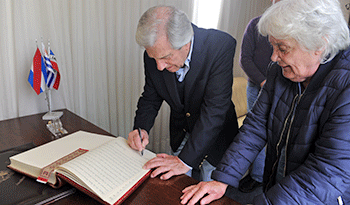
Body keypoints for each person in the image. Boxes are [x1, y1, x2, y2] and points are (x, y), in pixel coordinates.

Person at [181, 0, 350, 204]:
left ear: (320, 44)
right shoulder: (280, 72)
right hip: (281, 189)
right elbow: (254, 128)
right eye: (273, 46)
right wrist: (222, 179)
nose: (273, 57)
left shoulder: (346, 87)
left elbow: (328, 172)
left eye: (283, 48)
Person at [127, 6, 239, 182]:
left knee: (209, 184)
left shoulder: (220, 46)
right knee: (175, 184)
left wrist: (184, 161)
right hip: (182, 130)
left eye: (166, 58)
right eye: (154, 58)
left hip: (217, 135)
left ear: (186, 44)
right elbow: (151, 95)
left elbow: (215, 111)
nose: (159, 66)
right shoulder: (155, 54)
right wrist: (140, 128)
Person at [238, 0, 280, 193]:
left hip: (280, 88)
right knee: (255, 128)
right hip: (256, 87)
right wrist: (264, 82)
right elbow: (244, 59)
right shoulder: (255, 25)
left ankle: (265, 176)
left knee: (274, 131)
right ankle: (255, 176)